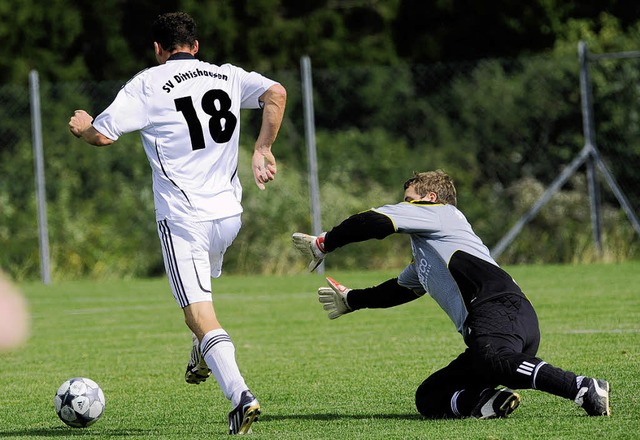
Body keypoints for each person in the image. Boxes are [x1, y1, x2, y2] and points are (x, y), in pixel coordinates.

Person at [69, 11, 286, 435]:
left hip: (184, 218)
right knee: (204, 302)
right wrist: (263, 147)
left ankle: (241, 395)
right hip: (229, 216)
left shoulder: (148, 83)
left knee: (199, 314)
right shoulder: (226, 75)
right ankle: (202, 353)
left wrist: (82, 127)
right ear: (196, 46)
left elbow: (104, 135)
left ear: (157, 49)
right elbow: (276, 93)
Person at [292, 170, 611, 419]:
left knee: (494, 359)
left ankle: (581, 387)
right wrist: (352, 300)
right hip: (500, 324)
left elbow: (374, 222)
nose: (404, 205)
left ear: (430, 197)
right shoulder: (427, 253)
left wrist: (324, 243)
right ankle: (486, 403)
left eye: (409, 199)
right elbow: (398, 290)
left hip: (498, 311)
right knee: (430, 397)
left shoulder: (440, 213)